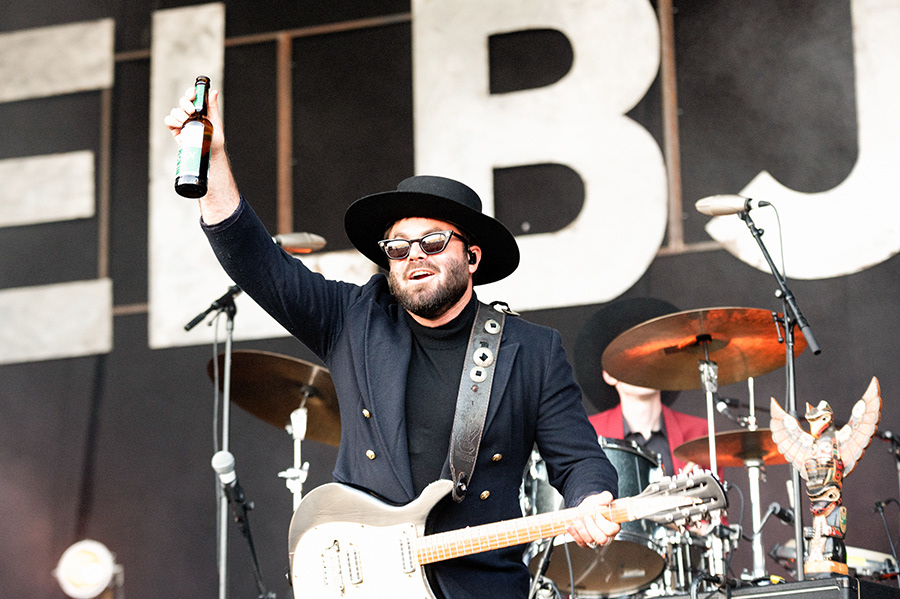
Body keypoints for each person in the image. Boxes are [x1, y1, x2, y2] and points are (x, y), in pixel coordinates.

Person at [165, 86, 620, 598]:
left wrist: (591, 498)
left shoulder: (531, 350)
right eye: (398, 248)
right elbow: (256, 261)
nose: (413, 257)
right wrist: (215, 159)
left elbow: (580, 459)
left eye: (431, 243)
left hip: (480, 586)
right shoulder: (353, 319)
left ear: (472, 258)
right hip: (371, 583)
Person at [574, 297, 709, 476]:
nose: (645, 365)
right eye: (631, 358)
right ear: (608, 375)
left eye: (653, 355)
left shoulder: (700, 433)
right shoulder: (586, 433)